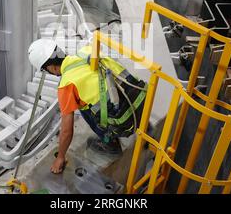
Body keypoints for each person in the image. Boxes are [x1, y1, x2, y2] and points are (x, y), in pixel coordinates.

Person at [28, 39, 147, 174]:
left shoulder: (66, 85)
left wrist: (60, 157)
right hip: (141, 100)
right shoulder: (87, 50)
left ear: (51, 67)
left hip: (126, 122)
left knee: (82, 106)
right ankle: (144, 123)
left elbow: (67, 131)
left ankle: (110, 144)